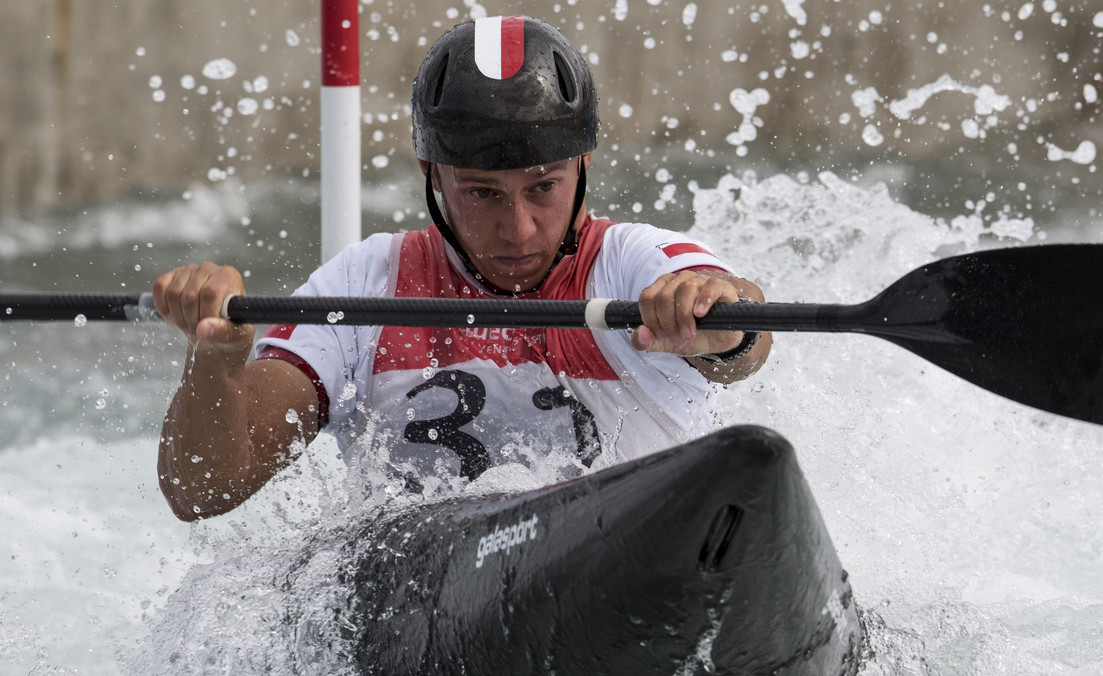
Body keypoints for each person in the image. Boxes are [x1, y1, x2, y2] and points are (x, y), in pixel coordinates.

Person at [153, 15, 771, 521]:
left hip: (631, 573)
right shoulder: (365, 283)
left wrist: (717, 322)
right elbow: (201, 492)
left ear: (582, 164)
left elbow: (746, 334)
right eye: (482, 193)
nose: (518, 229)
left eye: (543, 188)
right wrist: (216, 360)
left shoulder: (637, 262)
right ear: (433, 176)